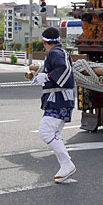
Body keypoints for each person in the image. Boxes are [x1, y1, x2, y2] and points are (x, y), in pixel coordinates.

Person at [31, 27, 76, 183]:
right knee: (54, 133)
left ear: (44, 42)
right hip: (60, 99)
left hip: (59, 99)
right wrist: (45, 77)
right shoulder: (59, 52)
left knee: (46, 131)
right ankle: (65, 166)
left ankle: (67, 164)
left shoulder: (54, 53)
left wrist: (47, 76)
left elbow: (64, 69)